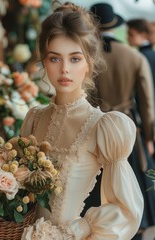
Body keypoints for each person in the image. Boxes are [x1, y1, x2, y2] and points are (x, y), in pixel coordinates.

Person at [20, 2, 143, 239]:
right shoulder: (33, 118)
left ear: (89, 62)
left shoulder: (104, 126)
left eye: (75, 59)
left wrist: (82, 228)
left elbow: (126, 210)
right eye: (55, 59)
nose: (65, 69)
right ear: (44, 61)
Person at [88, 3, 155, 240]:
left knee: (96, 185)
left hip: (94, 127)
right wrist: (150, 137)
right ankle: (133, 224)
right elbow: (147, 103)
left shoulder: (84, 58)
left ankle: (99, 229)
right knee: (130, 180)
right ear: (114, 25)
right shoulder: (135, 57)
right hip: (127, 131)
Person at [126, 18, 155, 92]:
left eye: (131, 34)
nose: (127, 37)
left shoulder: (140, 56)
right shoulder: (151, 54)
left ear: (143, 35)